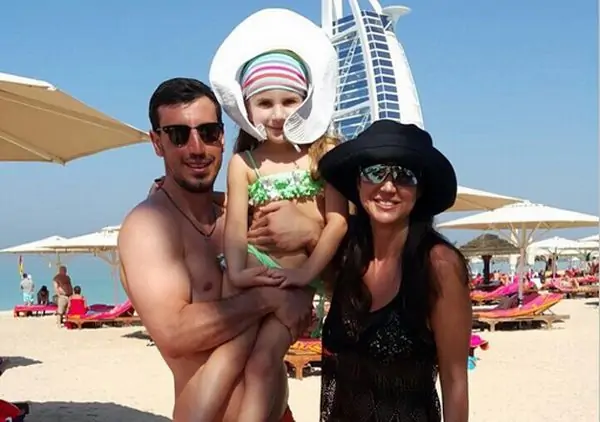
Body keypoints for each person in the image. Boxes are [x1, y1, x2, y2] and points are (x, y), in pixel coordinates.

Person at [117, 75, 321, 422]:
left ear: (223, 137)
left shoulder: (240, 212)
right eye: (178, 135)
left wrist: (311, 234)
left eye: (208, 132)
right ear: (157, 143)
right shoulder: (149, 227)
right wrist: (270, 299)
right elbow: (175, 333)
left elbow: (335, 272)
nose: (196, 148)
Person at [201, 8, 347, 422]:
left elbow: (338, 221)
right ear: (248, 108)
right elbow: (236, 228)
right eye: (265, 103)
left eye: (289, 101)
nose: (278, 114)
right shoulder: (244, 163)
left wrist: (306, 274)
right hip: (253, 269)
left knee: (264, 362)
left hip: (299, 279)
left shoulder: (324, 155)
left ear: (306, 102)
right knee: (232, 358)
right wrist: (238, 272)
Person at [317, 120, 472, 422]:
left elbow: (455, 381)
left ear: (420, 189)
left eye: (404, 175)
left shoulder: (438, 265)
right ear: (358, 183)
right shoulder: (347, 257)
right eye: (375, 172)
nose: (388, 187)